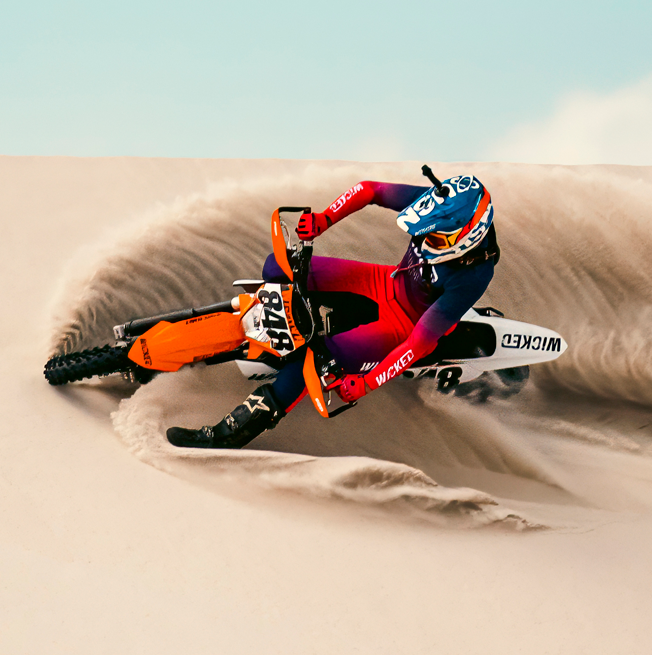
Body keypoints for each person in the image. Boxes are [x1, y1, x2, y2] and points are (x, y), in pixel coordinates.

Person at [165, 169, 499, 449]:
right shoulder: (442, 204)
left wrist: (367, 383)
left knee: (315, 355)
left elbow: (420, 343)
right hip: (386, 281)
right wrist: (324, 219)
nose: (427, 243)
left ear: (469, 235)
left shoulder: (474, 275)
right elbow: (370, 190)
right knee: (277, 268)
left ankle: (229, 435)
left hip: (405, 323)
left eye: (438, 240)